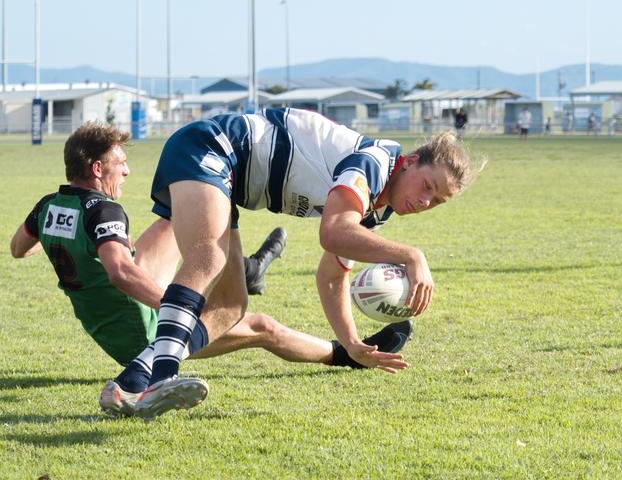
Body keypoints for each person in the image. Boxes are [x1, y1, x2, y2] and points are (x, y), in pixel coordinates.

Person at [9, 122, 413, 417]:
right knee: (259, 324)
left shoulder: (46, 207)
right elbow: (121, 274)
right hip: (144, 329)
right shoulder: (104, 209)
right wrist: (179, 309)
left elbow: (17, 249)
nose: (127, 171)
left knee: (187, 215)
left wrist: (67, 252)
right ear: (97, 169)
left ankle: (248, 270)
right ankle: (342, 354)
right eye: (121, 163)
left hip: (106, 319)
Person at [125, 107, 474, 419]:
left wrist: (352, 344)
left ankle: (130, 383)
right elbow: (334, 232)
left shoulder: (376, 209)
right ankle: (161, 380)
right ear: (411, 162)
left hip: (226, 176)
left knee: (230, 305)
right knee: (208, 258)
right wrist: (412, 255)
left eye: (437, 200)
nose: (426, 200)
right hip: (213, 146)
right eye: (428, 185)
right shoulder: (375, 162)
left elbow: (332, 275)